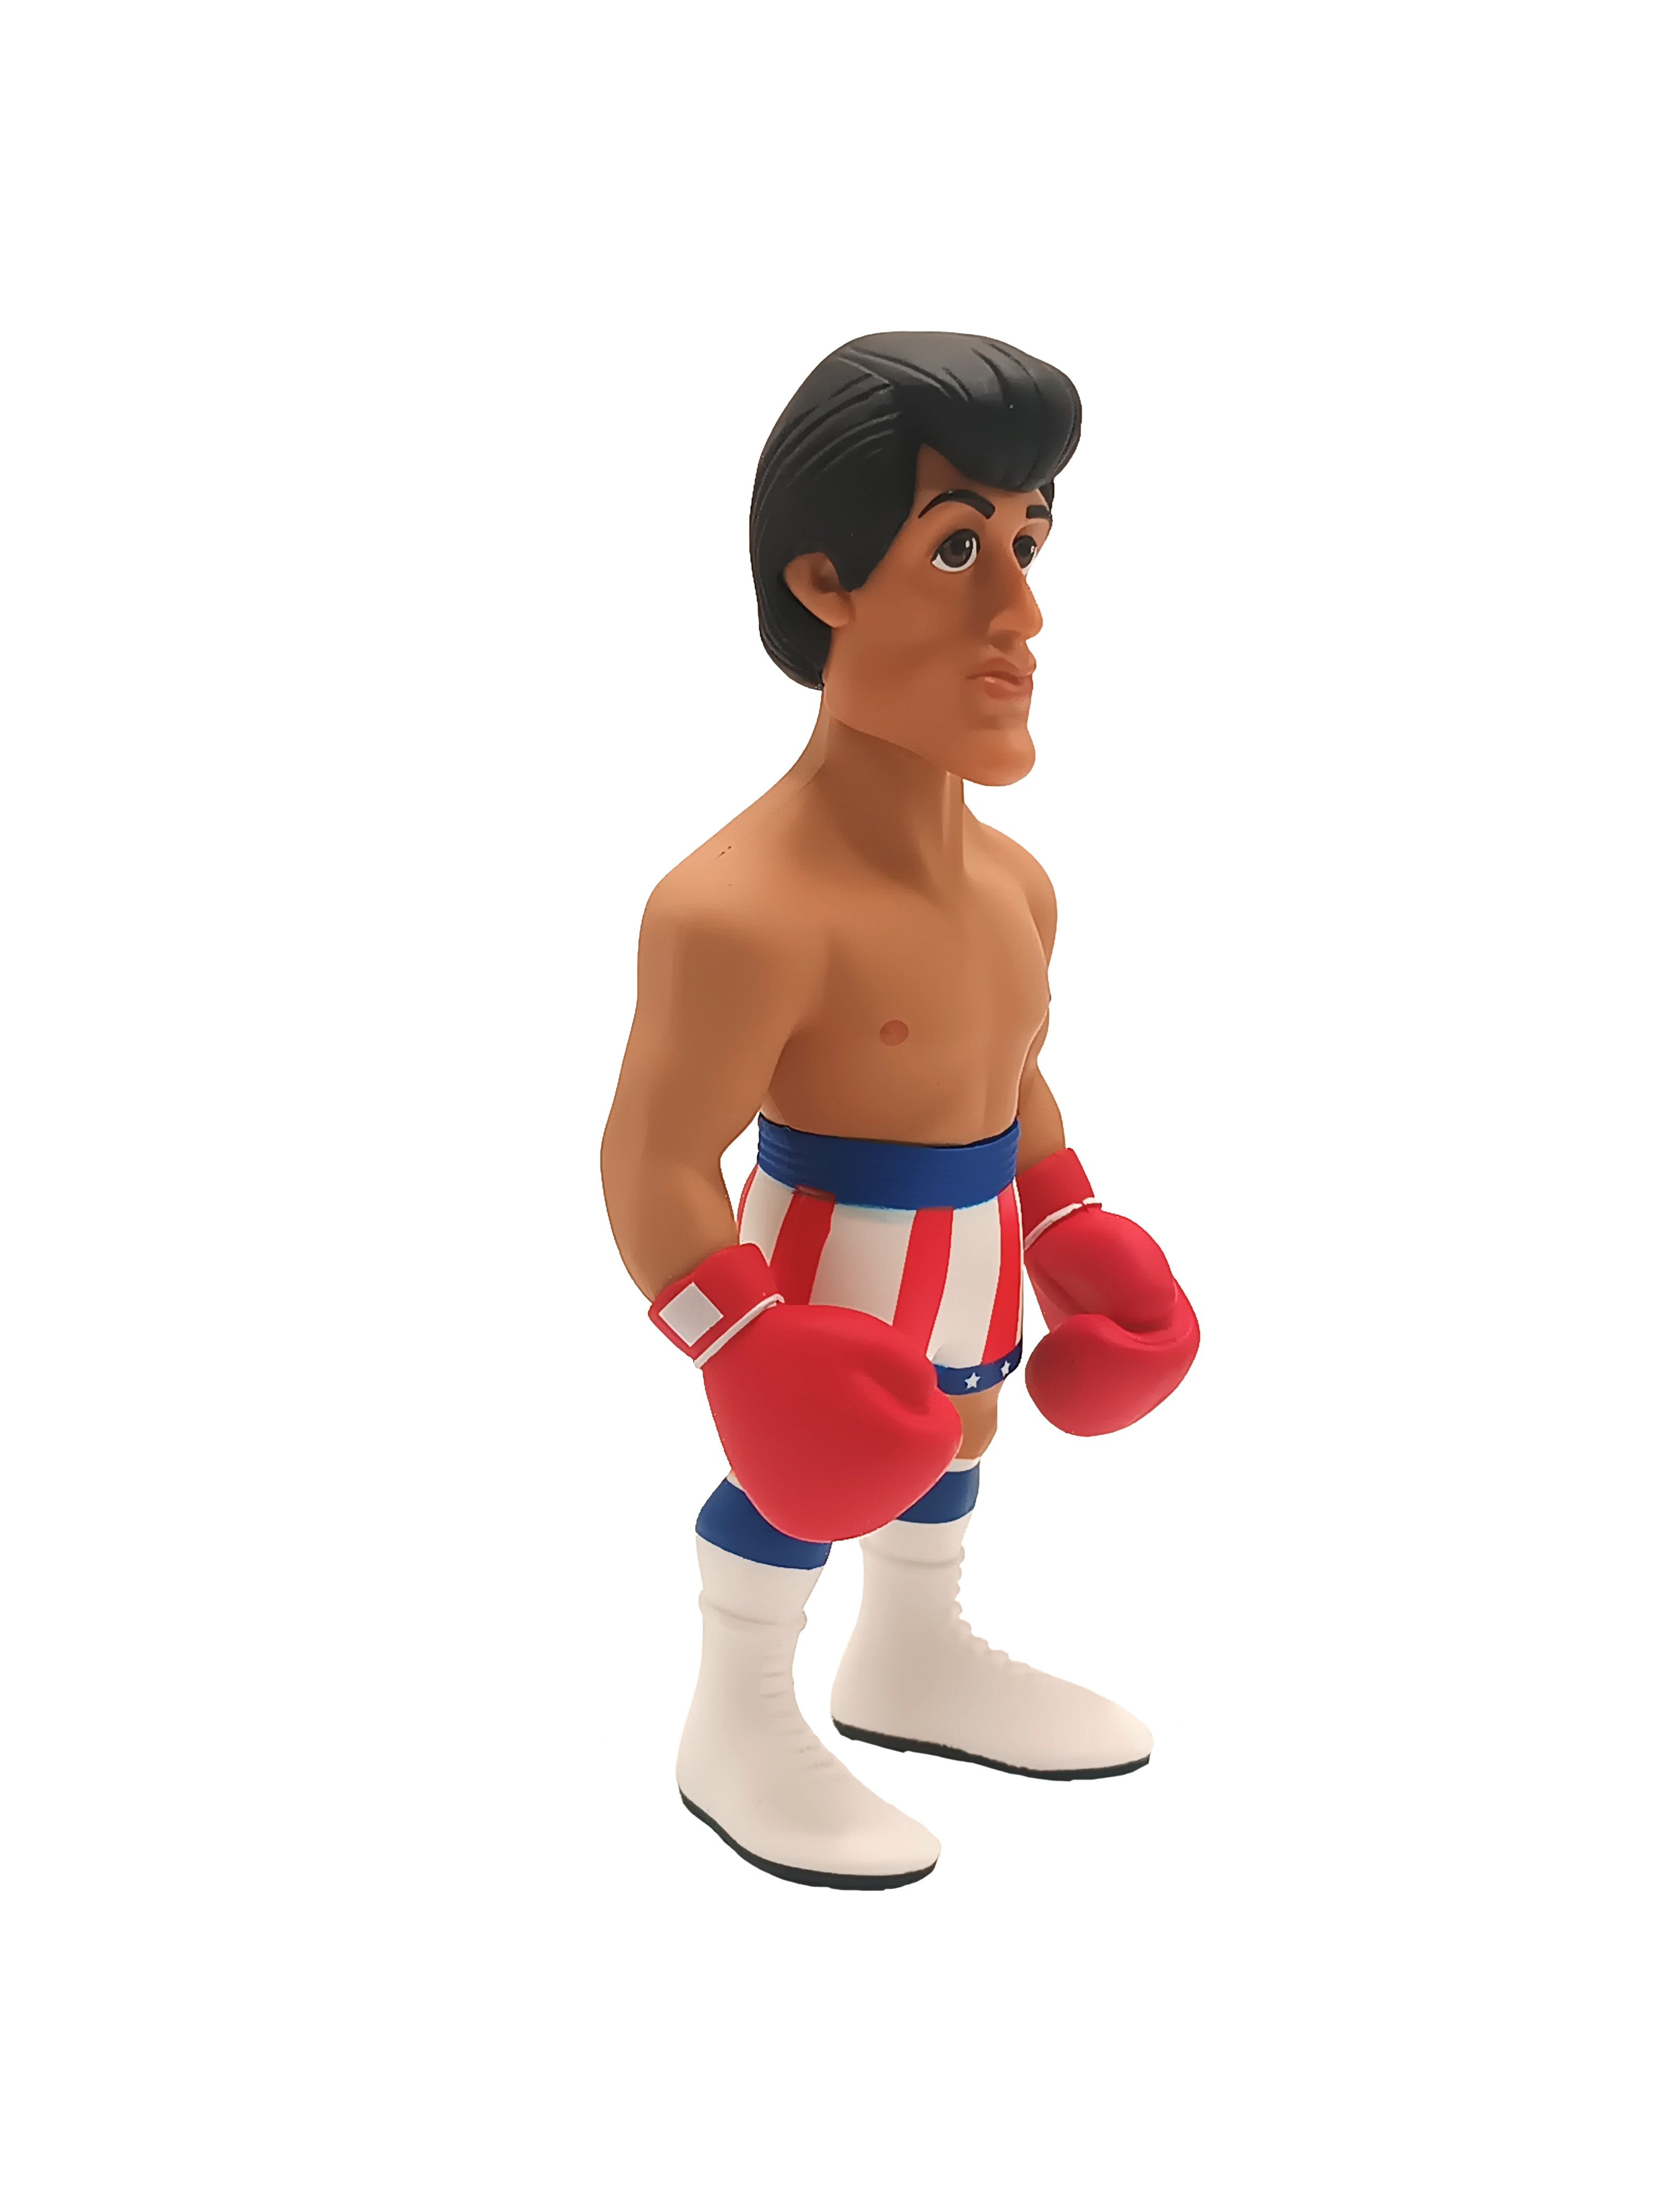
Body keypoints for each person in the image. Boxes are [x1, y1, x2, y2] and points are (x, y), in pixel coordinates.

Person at [600, 333, 1199, 1889]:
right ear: (826, 584)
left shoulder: (1018, 887)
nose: (1022, 612)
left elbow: (1013, 1073)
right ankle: (735, 1715)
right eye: (954, 549)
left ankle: (913, 1654)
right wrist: (746, 1340)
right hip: (822, 1256)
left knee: (957, 1430)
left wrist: (1076, 1226)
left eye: (1028, 544)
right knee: (802, 1477)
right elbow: (653, 1157)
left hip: (976, 1239)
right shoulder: (740, 909)